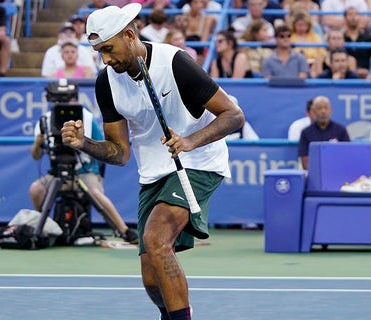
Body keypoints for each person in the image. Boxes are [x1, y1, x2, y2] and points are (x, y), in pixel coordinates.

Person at [61, 4, 245, 319]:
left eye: (108, 49)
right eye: (98, 52)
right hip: (154, 172)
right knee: (151, 277)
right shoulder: (107, 83)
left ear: (129, 35)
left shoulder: (176, 63)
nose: (105, 59)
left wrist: (190, 141)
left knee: (156, 240)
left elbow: (234, 115)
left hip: (198, 161)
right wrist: (84, 144)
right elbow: (120, 153)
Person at [29, 103, 138, 244]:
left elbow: (103, 146)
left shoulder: (87, 118)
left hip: (86, 171)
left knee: (94, 192)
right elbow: (36, 156)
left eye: (69, 98)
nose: (66, 102)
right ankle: (46, 228)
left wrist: (95, 169)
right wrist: (37, 144)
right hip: (58, 173)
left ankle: (125, 231)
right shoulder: (45, 120)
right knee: (35, 189)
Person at [298, 96, 350, 170]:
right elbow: (305, 163)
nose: (323, 111)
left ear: (331, 110)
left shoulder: (341, 130)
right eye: (319, 108)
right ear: (313, 111)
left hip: (338, 171)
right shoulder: (306, 133)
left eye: (326, 108)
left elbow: (348, 156)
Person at [343, 7, 371, 78]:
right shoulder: (341, 38)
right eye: (350, 14)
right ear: (345, 18)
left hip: (366, 76)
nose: (353, 17)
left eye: (356, 14)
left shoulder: (368, 38)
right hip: (346, 76)